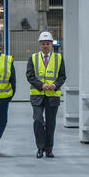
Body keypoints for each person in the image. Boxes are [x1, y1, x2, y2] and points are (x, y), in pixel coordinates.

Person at [26, 31, 66, 159]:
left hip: (52, 95)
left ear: (51, 44)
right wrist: (41, 85)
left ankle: (49, 149)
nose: (45, 46)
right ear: (39, 45)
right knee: (38, 120)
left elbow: (62, 76)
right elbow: (30, 76)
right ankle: (40, 147)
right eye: (43, 44)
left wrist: (55, 85)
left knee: (50, 123)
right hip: (37, 95)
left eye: (47, 44)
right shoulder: (33, 58)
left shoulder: (59, 58)